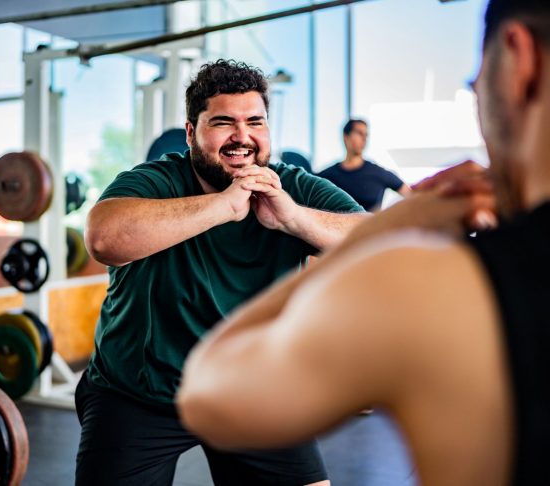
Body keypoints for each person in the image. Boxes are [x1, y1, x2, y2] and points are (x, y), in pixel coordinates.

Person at [177, 1, 550, 484]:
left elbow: (208, 394)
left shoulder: (447, 286)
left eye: (476, 83)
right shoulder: (328, 177)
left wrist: (385, 232)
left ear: (521, 60)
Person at [76, 59, 369, 486]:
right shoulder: (157, 181)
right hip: (140, 392)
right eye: (223, 123)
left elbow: (381, 242)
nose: (242, 137)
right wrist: (223, 206)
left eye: (255, 122)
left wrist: (294, 218)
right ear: (191, 133)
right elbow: (104, 238)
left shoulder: (291, 187)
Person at [318, 119, 410, 211]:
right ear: (346, 136)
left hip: (373, 220)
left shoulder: (378, 173)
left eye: (366, 135)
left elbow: (411, 196)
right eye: (359, 133)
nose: (364, 139)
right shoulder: (327, 176)